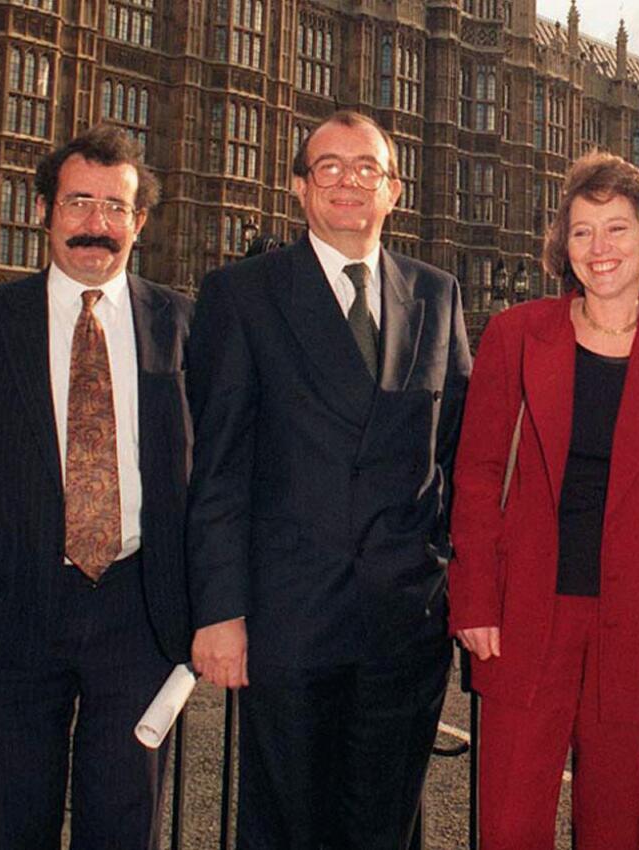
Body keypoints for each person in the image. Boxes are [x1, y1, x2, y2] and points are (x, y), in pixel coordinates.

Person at [185, 110, 472, 849]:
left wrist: (444, 575)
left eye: (366, 168)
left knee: (385, 825)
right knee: (286, 826)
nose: (349, 182)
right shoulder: (242, 294)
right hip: (290, 620)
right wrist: (220, 612)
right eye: (330, 168)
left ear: (394, 191)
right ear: (299, 189)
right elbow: (216, 468)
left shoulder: (437, 296)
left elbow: (460, 457)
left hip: (403, 620)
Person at [0, 124, 193, 849]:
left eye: (114, 207)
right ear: (44, 210)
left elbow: (217, 475)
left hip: (138, 618)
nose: (95, 226)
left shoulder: (185, 324)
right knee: (11, 828)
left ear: (139, 222)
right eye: (77, 203)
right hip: (5, 614)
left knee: (123, 830)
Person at [449, 151, 639, 850]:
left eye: (617, 230)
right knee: (511, 825)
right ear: (562, 245)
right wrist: (475, 600)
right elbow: (478, 474)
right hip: (523, 618)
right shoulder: (518, 334)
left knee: (622, 828)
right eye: (582, 232)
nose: (599, 248)